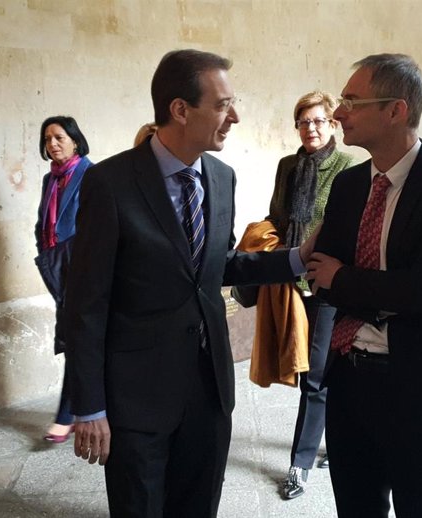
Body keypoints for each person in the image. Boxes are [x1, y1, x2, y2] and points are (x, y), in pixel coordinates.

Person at [63, 49, 312, 518]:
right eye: (223, 105)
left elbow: (217, 266)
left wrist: (297, 259)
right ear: (180, 109)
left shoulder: (221, 177)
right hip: (136, 396)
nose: (235, 116)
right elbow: (85, 303)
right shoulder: (111, 183)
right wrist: (89, 407)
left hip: (208, 389)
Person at [305, 53, 422, 518]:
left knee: (420, 507)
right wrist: (346, 282)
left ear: (395, 110)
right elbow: (319, 278)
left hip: (420, 383)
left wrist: (344, 279)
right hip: (349, 381)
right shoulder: (347, 186)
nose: (339, 112)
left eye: (351, 100)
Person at [266, 91, 355, 499]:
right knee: (315, 368)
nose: (311, 128)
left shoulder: (348, 168)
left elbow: (350, 228)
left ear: (332, 124)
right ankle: (341, 440)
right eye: (304, 122)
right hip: (291, 281)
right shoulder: (288, 166)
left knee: (315, 376)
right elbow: (276, 216)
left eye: (319, 121)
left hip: (327, 282)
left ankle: (301, 464)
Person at [34, 116, 93, 443]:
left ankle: (66, 413)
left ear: (74, 139)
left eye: (58, 137)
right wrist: (44, 248)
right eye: (47, 140)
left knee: (76, 338)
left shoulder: (90, 174)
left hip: (82, 266)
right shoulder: (49, 179)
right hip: (56, 266)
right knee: (78, 337)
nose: (52, 144)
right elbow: (42, 221)